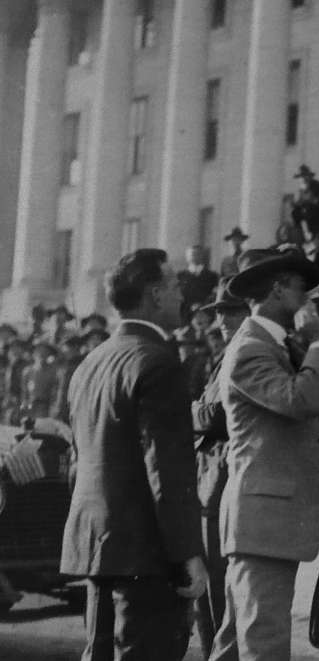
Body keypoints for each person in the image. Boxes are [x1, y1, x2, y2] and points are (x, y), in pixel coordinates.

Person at [60, 248, 208, 660]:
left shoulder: (91, 362)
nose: (183, 296)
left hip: (97, 546)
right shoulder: (159, 362)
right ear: (155, 295)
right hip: (147, 553)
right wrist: (188, 553)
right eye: (176, 286)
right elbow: (167, 468)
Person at [208, 249, 319, 660]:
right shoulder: (251, 347)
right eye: (302, 289)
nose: (308, 299)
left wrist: (317, 340)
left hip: (266, 518)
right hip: (261, 521)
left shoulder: (276, 344)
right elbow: (300, 399)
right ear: (278, 288)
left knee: (235, 644)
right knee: (262, 646)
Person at [190, 281, 249, 660]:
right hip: (210, 480)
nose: (221, 318)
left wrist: (190, 412)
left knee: (220, 591)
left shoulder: (245, 352)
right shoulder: (227, 354)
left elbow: (217, 414)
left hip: (224, 480)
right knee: (209, 594)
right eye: (218, 311)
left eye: (230, 310)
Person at [179, 245, 220, 326]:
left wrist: (202, 306)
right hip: (185, 316)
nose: (194, 256)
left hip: (206, 317)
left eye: (197, 254)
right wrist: (190, 307)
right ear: (187, 257)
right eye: (191, 254)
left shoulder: (212, 276)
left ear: (202, 256)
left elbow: (215, 295)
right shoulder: (180, 276)